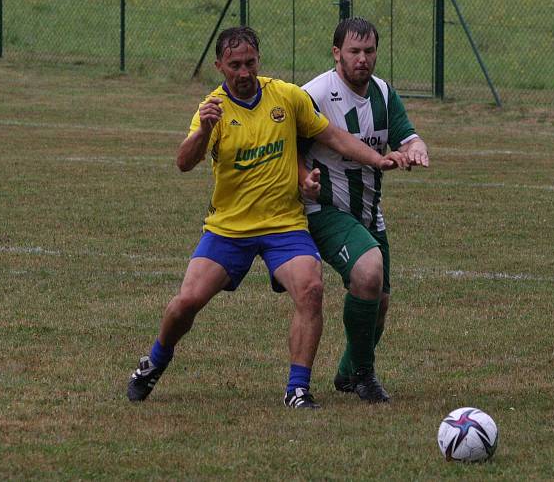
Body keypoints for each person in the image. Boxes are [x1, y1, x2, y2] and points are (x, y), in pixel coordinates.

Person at [126, 26, 406, 409]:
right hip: (229, 229)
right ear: (219, 65)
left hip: (284, 226)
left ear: (259, 59)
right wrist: (204, 130)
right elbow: (184, 162)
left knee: (311, 290)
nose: (243, 72)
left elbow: (333, 137)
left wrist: (378, 159)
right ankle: (155, 360)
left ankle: (297, 389)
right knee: (186, 302)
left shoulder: (286, 97)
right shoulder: (212, 109)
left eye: (250, 63)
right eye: (234, 65)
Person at [299, 17, 429, 403]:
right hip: (325, 211)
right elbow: (289, 151)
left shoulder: (384, 94)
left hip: (370, 213)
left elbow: (407, 136)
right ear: (336, 52)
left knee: (380, 302)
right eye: (354, 52)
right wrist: (305, 178)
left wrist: (415, 148)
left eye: (369, 51)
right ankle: (364, 375)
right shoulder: (314, 95)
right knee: (369, 271)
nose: (362, 59)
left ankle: (345, 373)